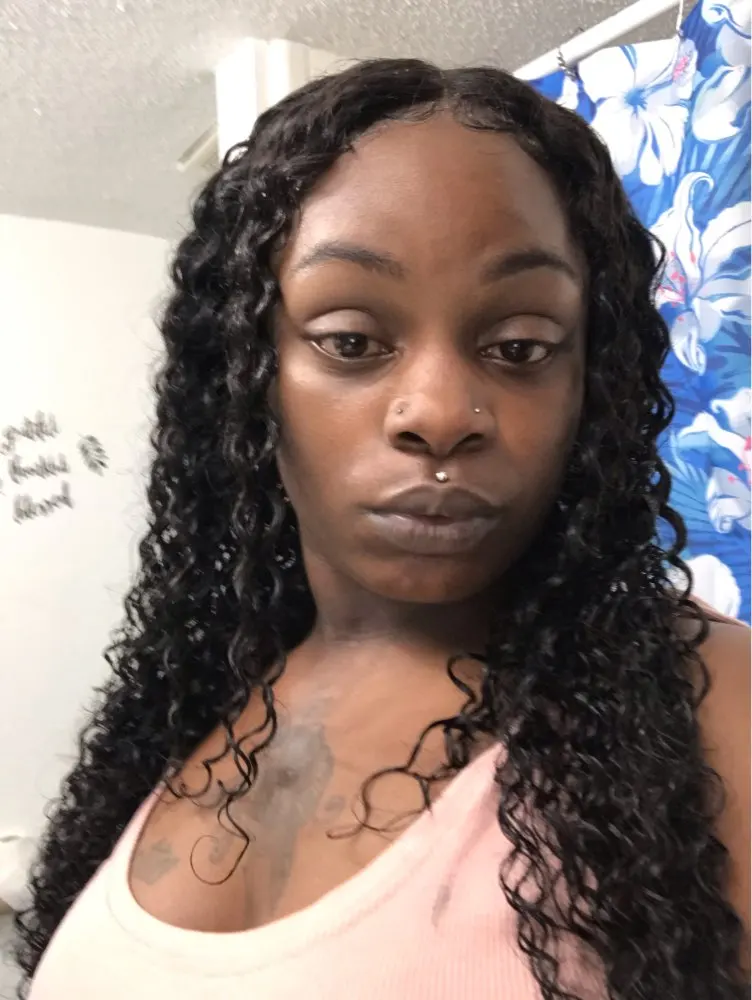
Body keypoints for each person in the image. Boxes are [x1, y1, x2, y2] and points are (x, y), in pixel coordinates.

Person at [15, 58, 750, 1000]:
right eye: (351, 341)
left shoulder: (705, 706)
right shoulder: (201, 694)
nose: (439, 412)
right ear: (248, 377)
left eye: (519, 347)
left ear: (588, 388)